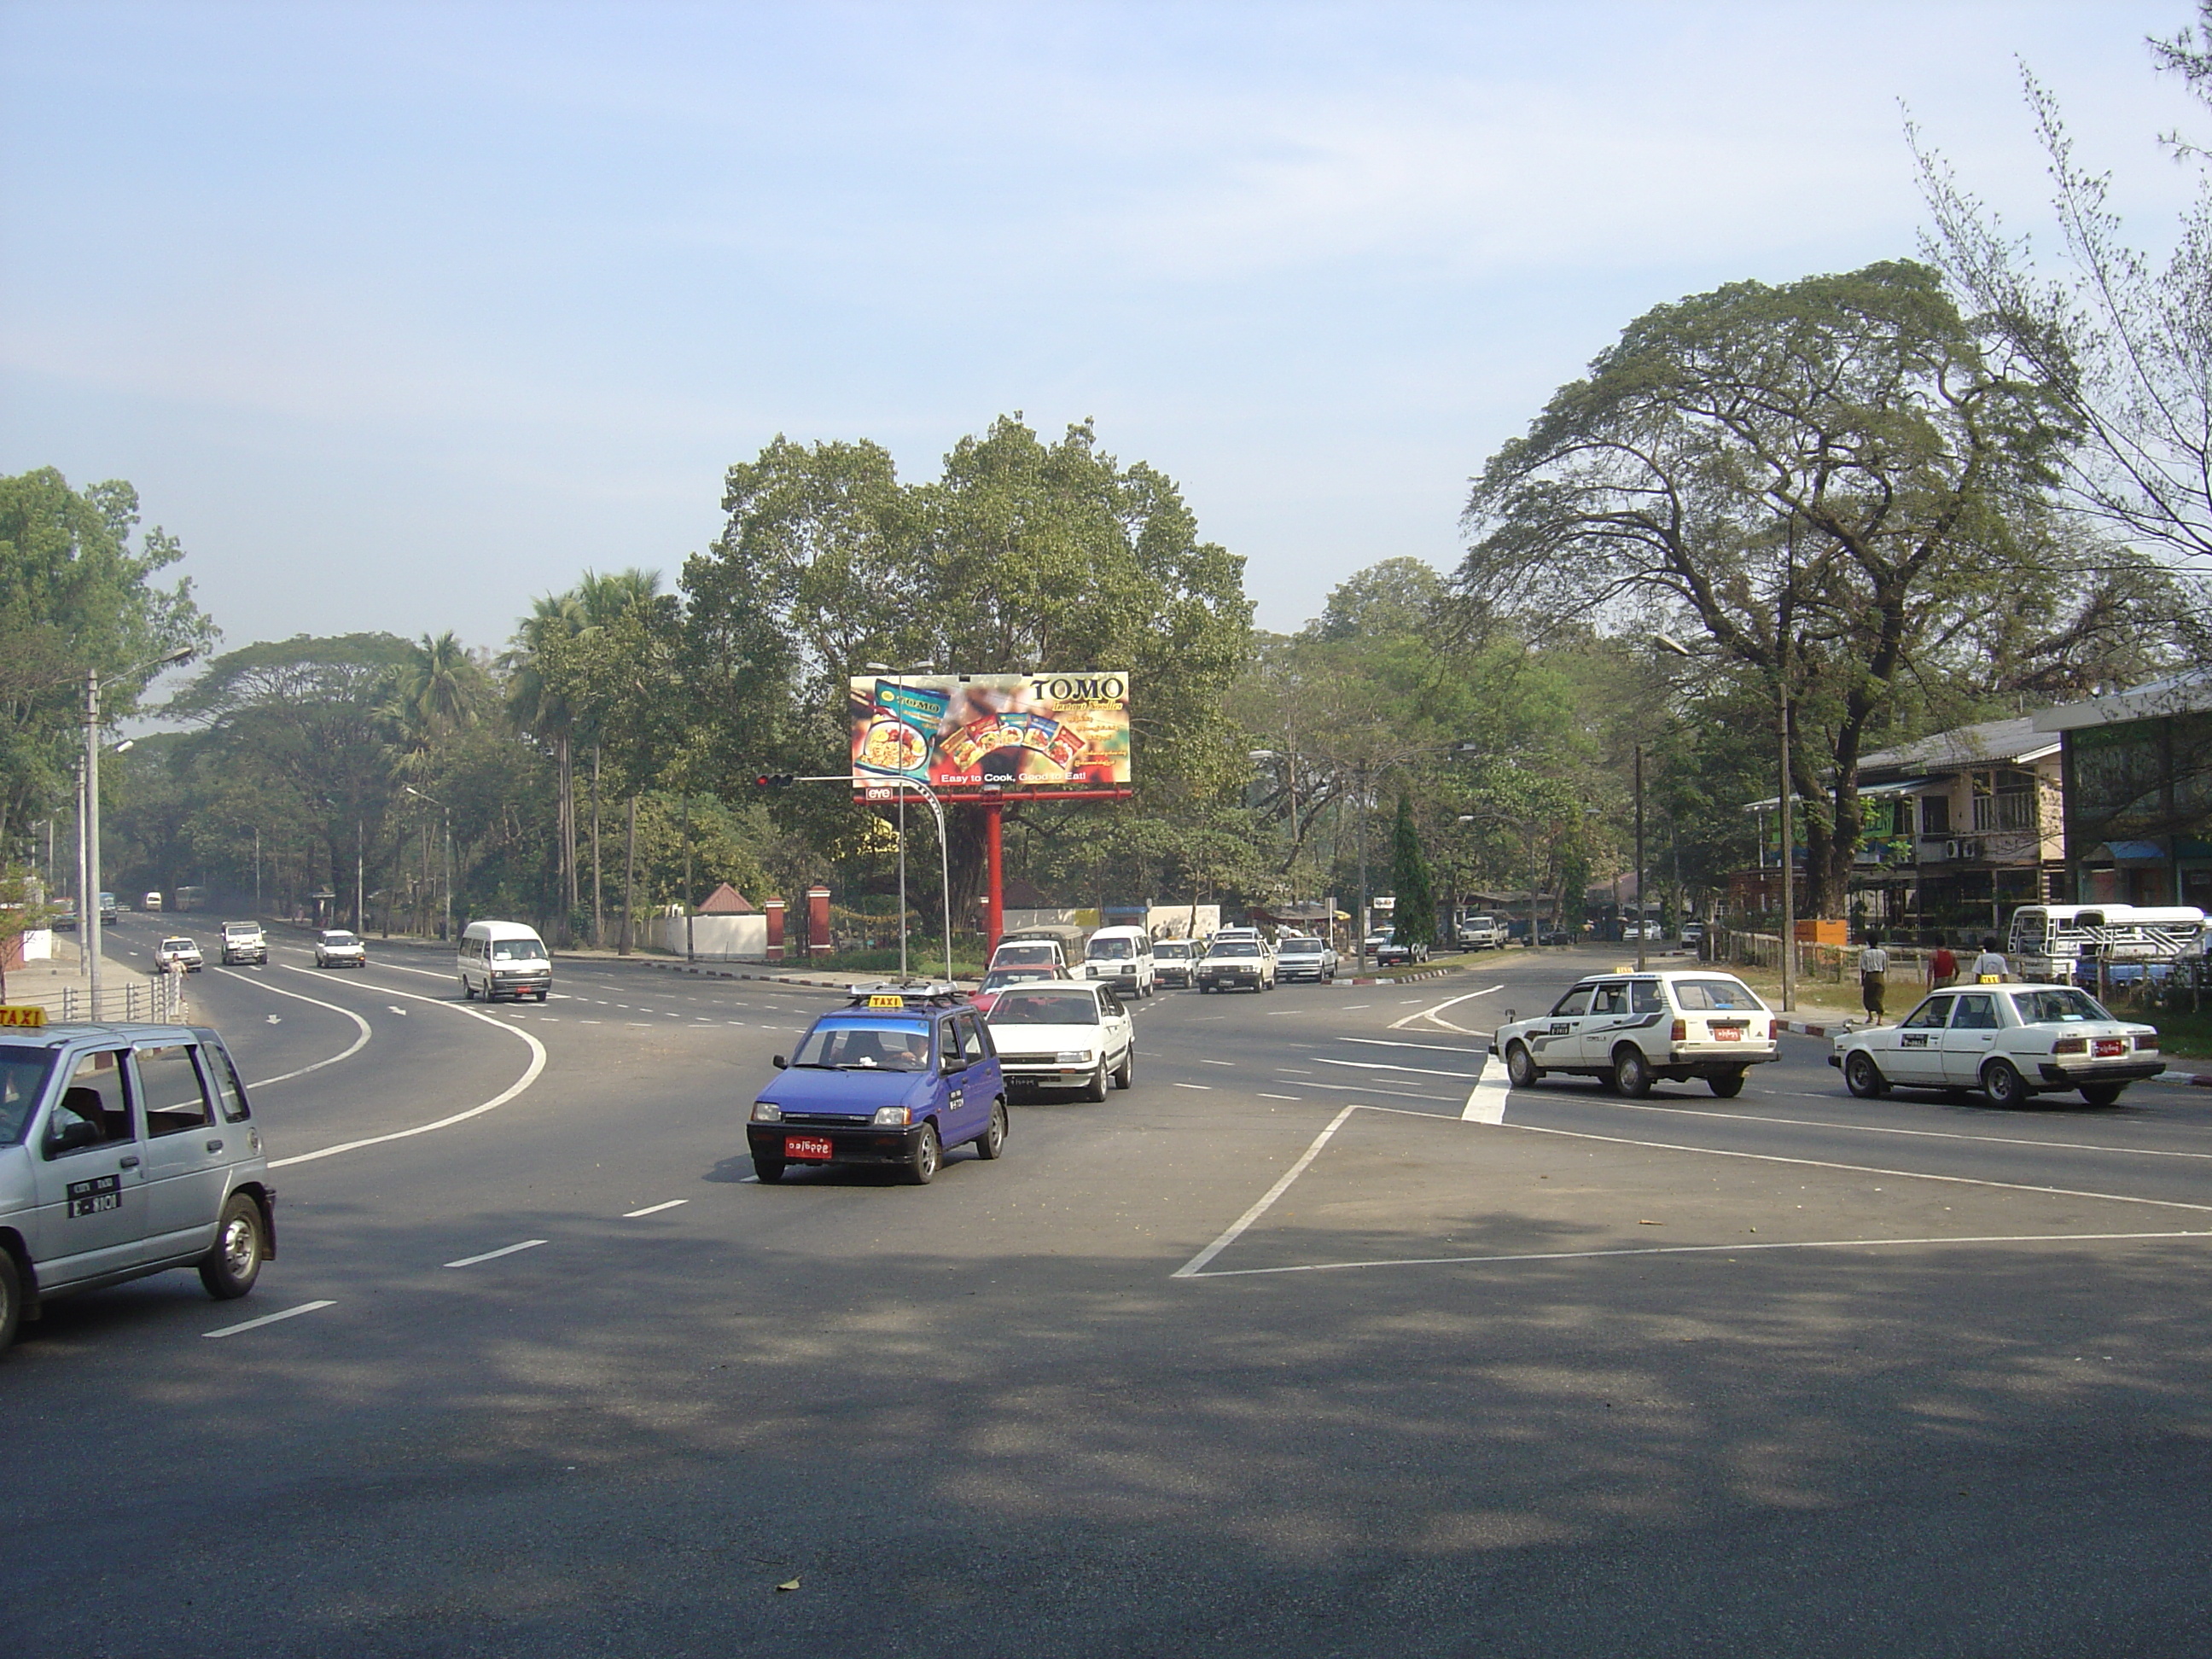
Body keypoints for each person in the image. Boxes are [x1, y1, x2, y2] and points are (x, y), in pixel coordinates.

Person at [1857, 931, 1891, 1024]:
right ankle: (1879, 1019)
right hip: (1879, 975)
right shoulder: (1882, 953)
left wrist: (1862, 979)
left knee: (1868, 997)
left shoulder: (1865, 953)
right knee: (1878, 997)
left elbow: (1863, 967)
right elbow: (1884, 966)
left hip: (1869, 975)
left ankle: (1870, 1016)